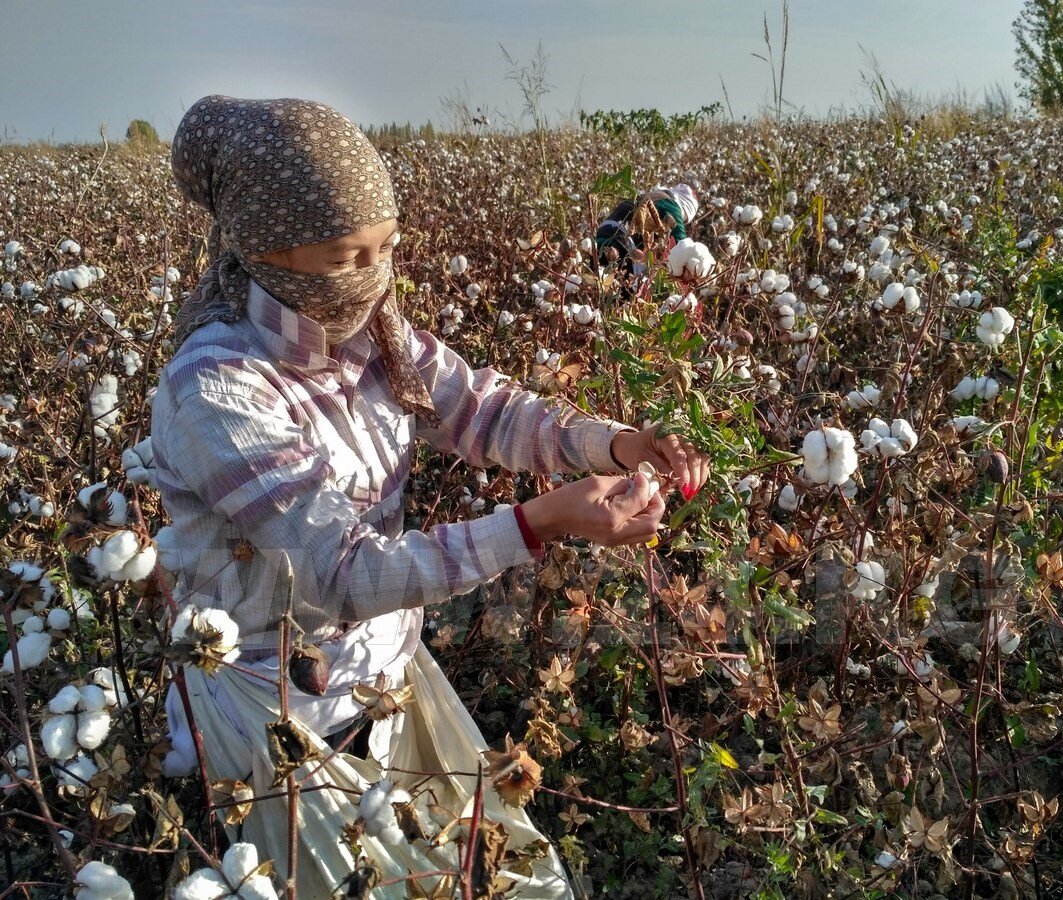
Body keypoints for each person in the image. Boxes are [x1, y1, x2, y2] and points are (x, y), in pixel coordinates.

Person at [154, 96, 710, 899]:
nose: (373, 276)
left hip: (386, 680)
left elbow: (484, 410)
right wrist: (536, 524)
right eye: (347, 257)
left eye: (386, 248)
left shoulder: (374, 332)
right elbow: (337, 574)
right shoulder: (215, 391)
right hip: (278, 727)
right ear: (263, 249)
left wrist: (615, 442)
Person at [593, 182, 699, 272]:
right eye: (684, 220)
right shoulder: (672, 205)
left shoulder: (651, 196)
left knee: (600, 278)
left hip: (604, 235)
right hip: (621, 240)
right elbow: (681, 245)